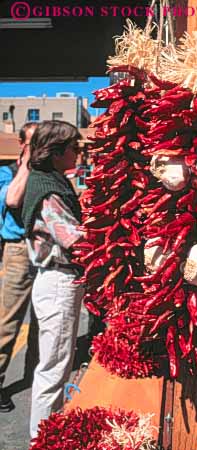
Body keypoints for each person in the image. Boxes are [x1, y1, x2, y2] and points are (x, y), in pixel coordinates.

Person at [21, 120, 84, 439]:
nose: (79, 152)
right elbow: (71, 237)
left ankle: (50, 436)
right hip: (57, 280)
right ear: (56, 152)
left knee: (58, 364)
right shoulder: (48, 189)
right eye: (75, 147)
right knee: (53, 369)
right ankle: (42, 440)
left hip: (58, 281)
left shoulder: (52, 180)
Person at [0, 122, 38, 412]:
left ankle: (35, 378)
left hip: (45, 252)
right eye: (35, 142)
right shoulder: (7, 173)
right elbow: (10, 200)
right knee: (8, 321)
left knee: (43, 322)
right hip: (18, 251)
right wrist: (26, 163)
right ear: (22, 144)